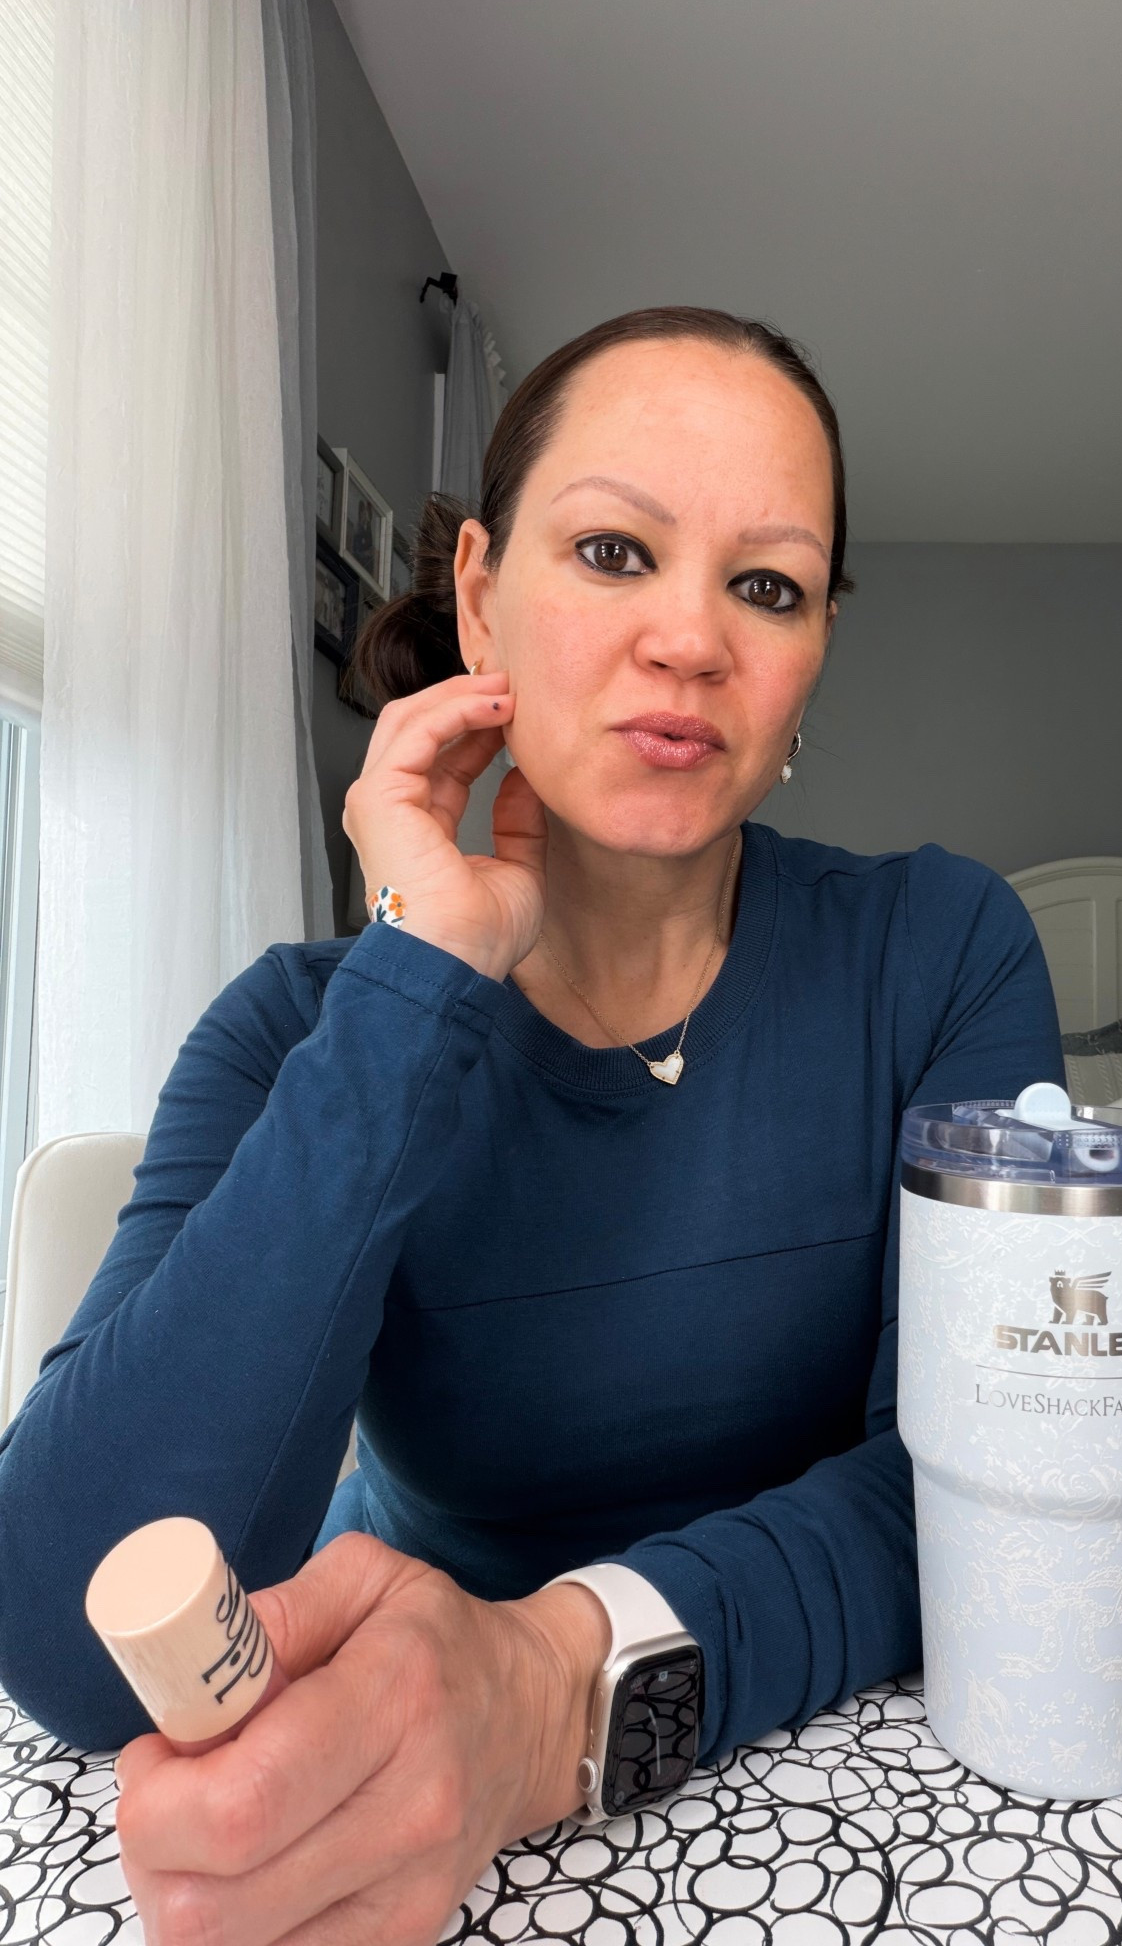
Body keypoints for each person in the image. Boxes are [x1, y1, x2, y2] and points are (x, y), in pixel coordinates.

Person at [0, 305, 1065, 1942]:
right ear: (482, 593)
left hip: (824, 1764)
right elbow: (75, 1644)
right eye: (615, 552)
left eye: (766, 586)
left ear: (811, 656)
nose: (690, 640)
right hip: (397, 1793)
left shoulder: (942, 951)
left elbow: (987, 1494)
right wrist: (419, 978)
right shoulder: (294, 1027)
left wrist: (551, 1685)